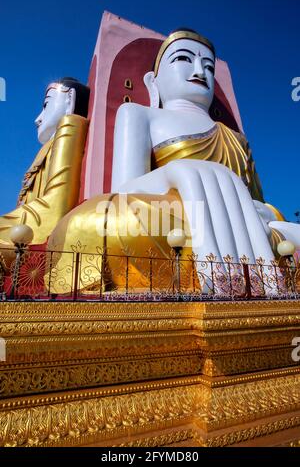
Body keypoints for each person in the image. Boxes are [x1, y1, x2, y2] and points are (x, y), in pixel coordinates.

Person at [47, 31, 299, 293]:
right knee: (88, 222)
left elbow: (258, 203)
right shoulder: (140, 114)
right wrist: (175, 172)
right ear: (153, 81)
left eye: (209, 66)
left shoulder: (236, 138)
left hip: (243, 224)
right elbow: (123, 189)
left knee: (278, 231)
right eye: (183, 59)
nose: (200, 71)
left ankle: (229, 268)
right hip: (175, 217)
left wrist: (266, 212)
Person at [0, 77, 89, 247]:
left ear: (70, 99)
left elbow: (56, 206)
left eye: (46, 105)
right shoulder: (46, 147)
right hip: (22, 232)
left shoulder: (70, 127)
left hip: (38, 234)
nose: (37, 119)